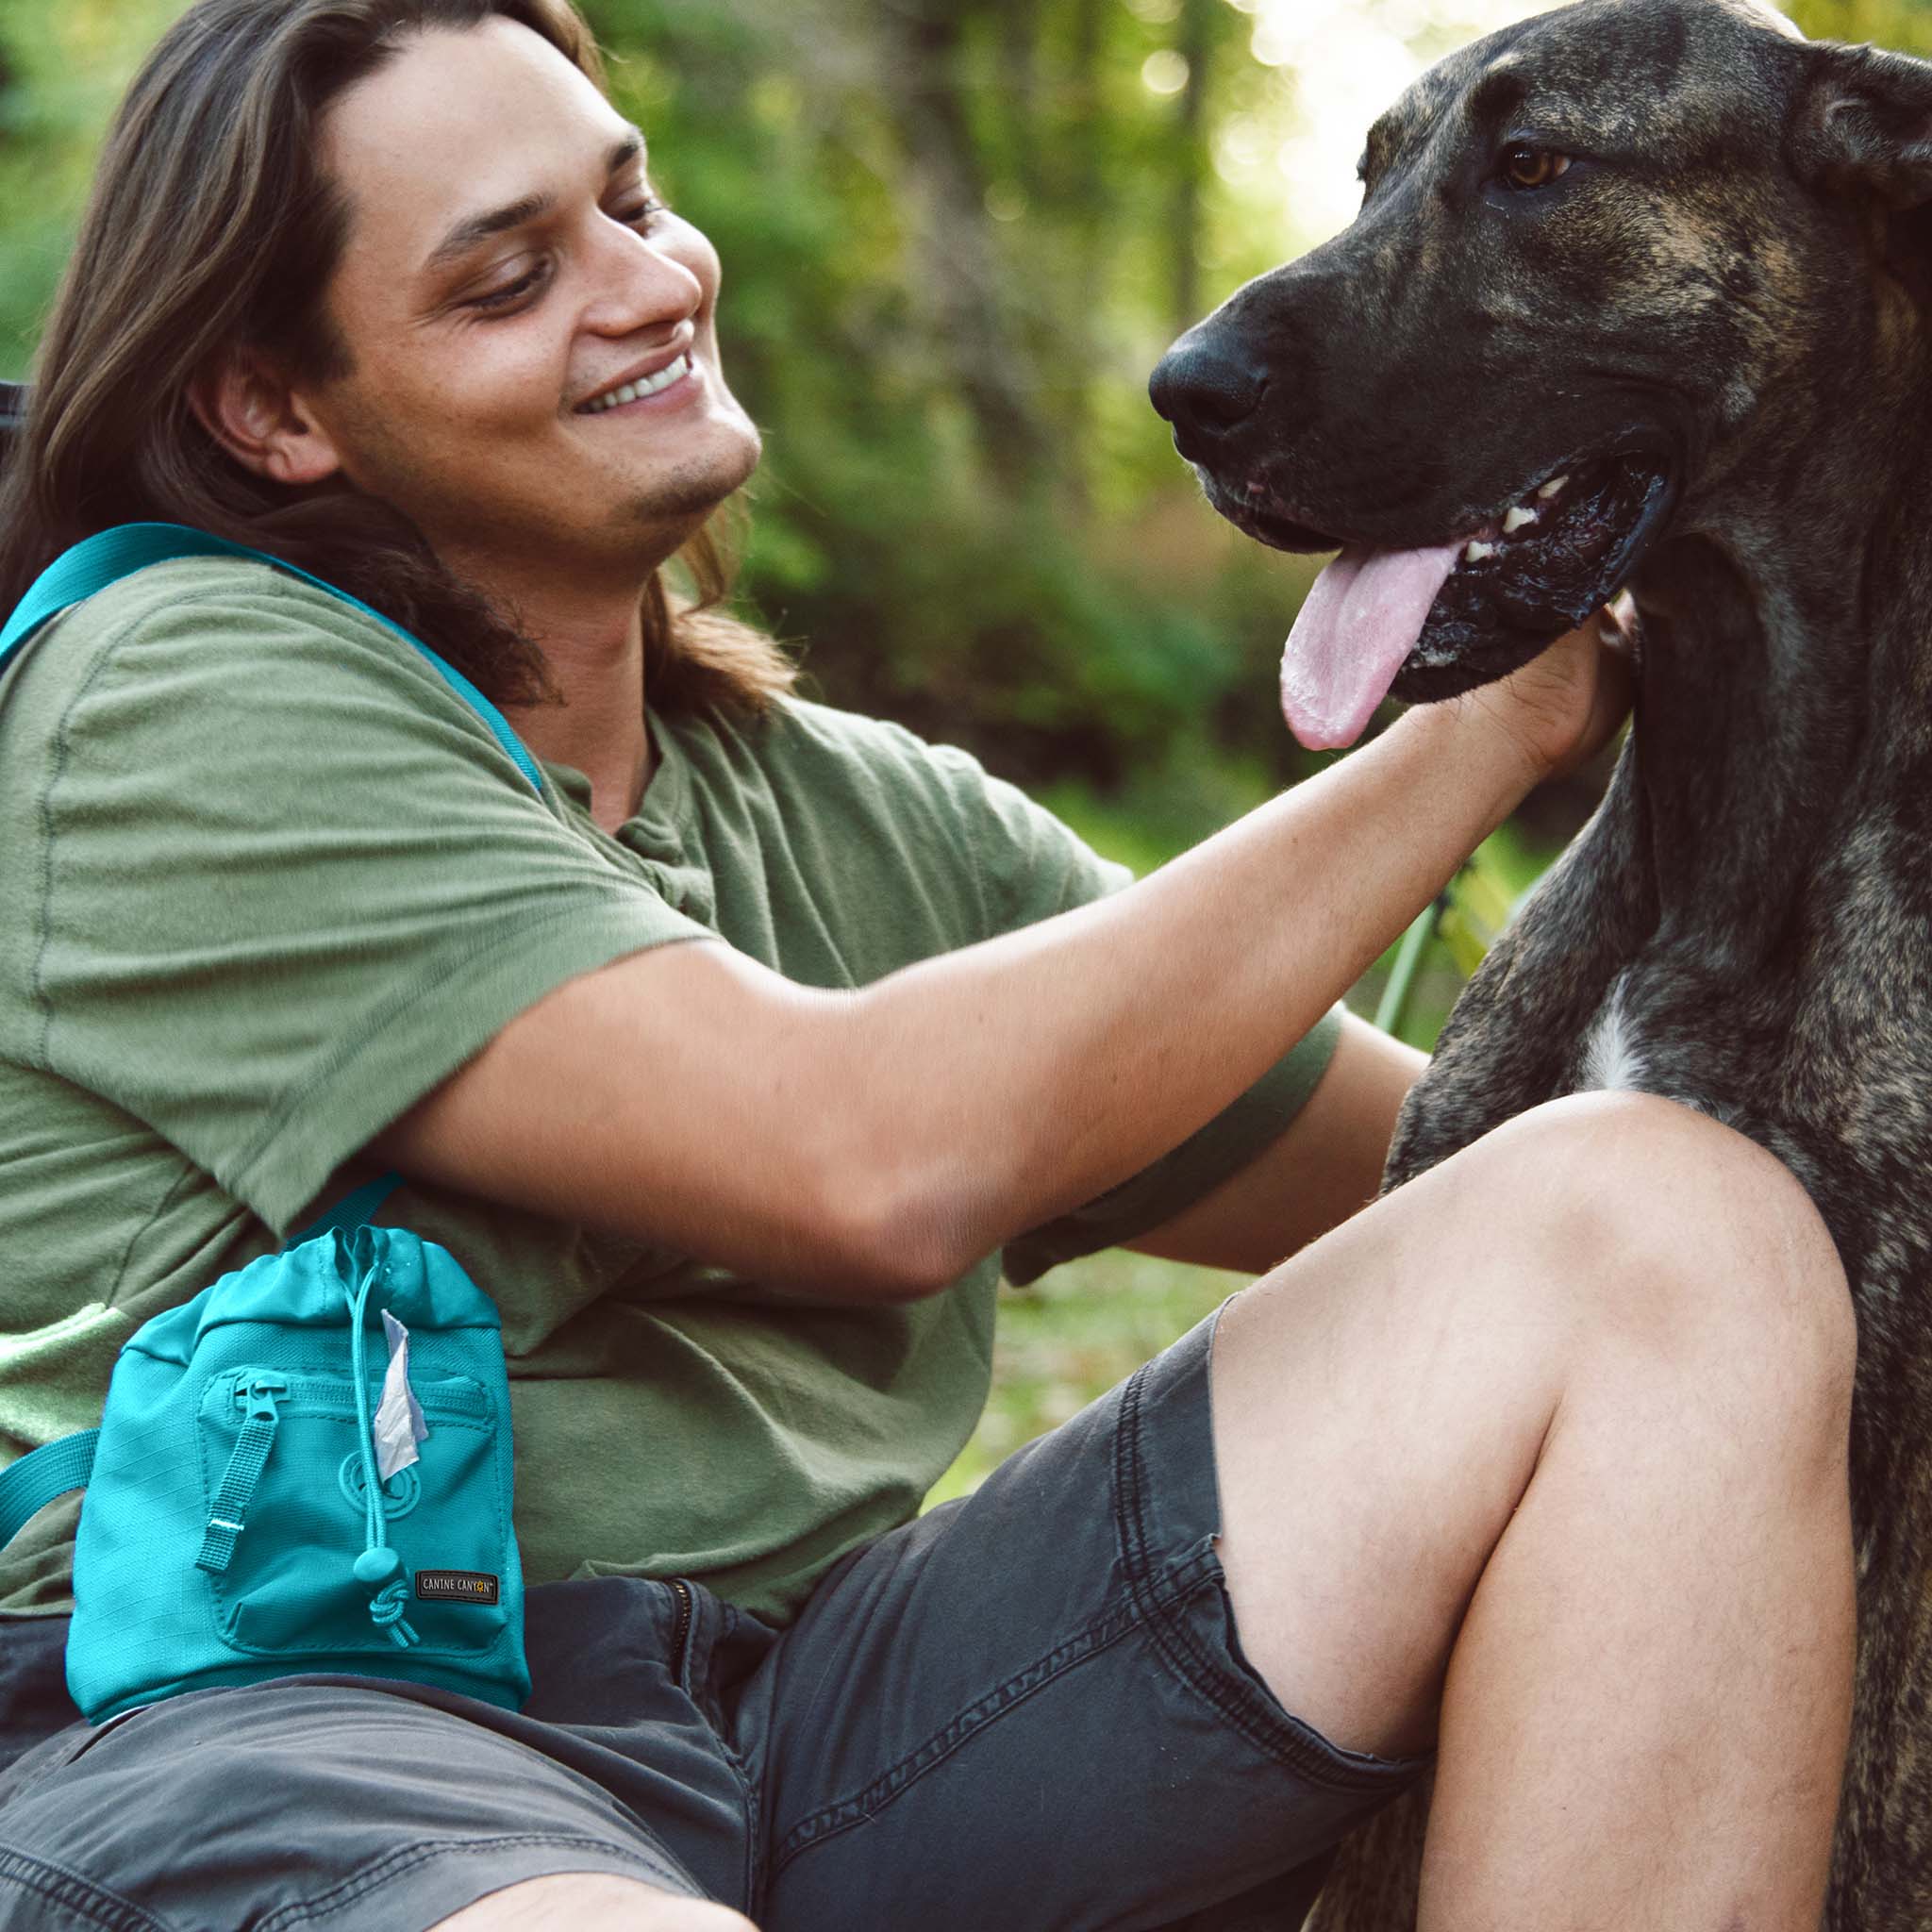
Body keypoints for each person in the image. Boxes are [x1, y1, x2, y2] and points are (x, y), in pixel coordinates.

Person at [0, 2, 1856, 1927]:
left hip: (813, 1720)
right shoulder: (171, 691)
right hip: (285, 1716)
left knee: (1655, 1222)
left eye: (629, 201)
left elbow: (1450, 1180)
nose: (648, 285)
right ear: (276, 412)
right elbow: (859, 1158)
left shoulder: (869, 823)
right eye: (509, 277)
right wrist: (1482, 723)